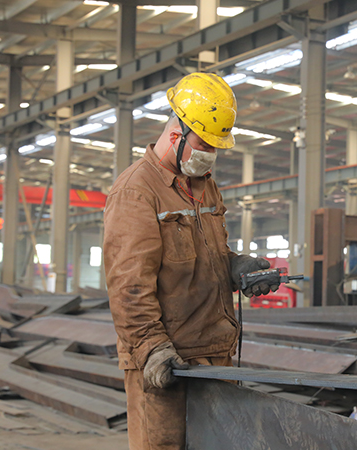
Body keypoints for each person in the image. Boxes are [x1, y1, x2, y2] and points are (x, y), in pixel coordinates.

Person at [103, 72, 278, 450]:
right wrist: (152, 349)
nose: (209, 154)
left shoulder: (204, 185)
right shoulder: (136, 192)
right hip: (169, 362)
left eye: (215, 146)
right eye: (203, 143)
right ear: (175, 134)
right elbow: (129, 286)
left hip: (215, 355)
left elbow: (208, 256)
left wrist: (236, 267)